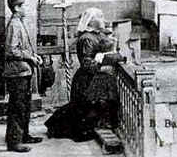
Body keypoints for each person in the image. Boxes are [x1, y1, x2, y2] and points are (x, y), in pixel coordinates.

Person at [45, 8, 125, 142]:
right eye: (99, 17)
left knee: (87, 109)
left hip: (95, 78)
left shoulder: (97, 35)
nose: (102, 19)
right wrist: (106, 59)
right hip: (87, 80)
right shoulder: (86, 38)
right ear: (91, 21)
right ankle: (55, 127)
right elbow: (87, 63)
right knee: (81, 108)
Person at [4, 0, 43, 153]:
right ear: (17, 7)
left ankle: (23, 135)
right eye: (24, 5)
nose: (27, 8)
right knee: (18, 107)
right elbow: (12, 50)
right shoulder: (14, 25)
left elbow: (22, 47)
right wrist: (30, 58)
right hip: (17, 73)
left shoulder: (19, 22)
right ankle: (14, 142)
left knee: (24, 105)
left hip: (23, 71)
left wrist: (34, 56)